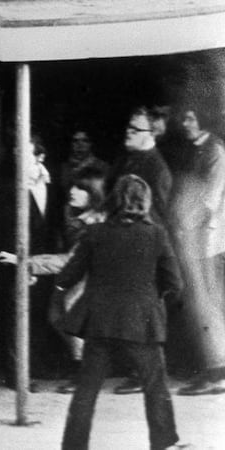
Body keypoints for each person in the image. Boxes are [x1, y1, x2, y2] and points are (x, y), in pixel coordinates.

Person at [58, 174, 185, 450]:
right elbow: (175, 284)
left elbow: (68, 276)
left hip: (100, 324)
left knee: (86, 392)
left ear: (114, 201)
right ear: (145, 202)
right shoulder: (157, 235)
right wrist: (154, 299)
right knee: (155, 388)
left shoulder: (95, 234)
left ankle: (73, 446)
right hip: (143, 323)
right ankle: (163, 443)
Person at [0, 166, 107, 394]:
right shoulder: (76, 216)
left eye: (81, 189)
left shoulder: (94, 224)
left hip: (89, 277)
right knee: (58, 316)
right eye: (74, 186)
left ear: (94, 195)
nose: (73, 191)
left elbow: (70, 259)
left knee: (71, 317)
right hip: (75, 276)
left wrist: (24, 261)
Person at [0, 138, 66, 388]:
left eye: (24, 154)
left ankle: (34, 365)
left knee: (37, 315)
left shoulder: (52, 186)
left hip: (43, 262)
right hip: (17, 261)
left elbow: (54, 226)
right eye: (16, 154)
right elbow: (6, 231)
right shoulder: (9, 189)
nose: (18, 159)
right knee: (16, 315)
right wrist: (20, 264)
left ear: (40, 157)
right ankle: (16, 374)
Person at [171, 105, 225, 396]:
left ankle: (218, 373)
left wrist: (184, 225)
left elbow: (210, 200)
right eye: (184, 117)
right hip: (194, 240)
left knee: (209, 305)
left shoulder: (215, 150)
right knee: (200, 305)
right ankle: (211, 368)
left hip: (209, 240)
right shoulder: (194, 150)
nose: (185, 122)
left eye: (191, 117)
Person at [107, 106, 173, 225]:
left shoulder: (158, 170)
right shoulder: (123, 158)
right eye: (129, 126)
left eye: (135, 129)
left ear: (152, 134)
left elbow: (157, 219)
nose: (128, 131)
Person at [58, 127, 109, 193]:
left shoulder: (102, 166)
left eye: (85, 140)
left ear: (91, 144)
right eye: (75, 141)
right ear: (71, 144)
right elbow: (65, 187)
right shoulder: (64, 167)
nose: (80, 144)